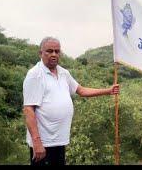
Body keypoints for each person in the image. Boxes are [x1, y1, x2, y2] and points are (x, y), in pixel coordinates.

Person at [23, 37, 120, 165]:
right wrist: (37, 142)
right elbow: (28, 109)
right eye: (49, 51)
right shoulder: (35, 75)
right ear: (40, 53)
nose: (54, 54)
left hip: (59, 140)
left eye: (57, 51)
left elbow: (81, 90)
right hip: (43, 142)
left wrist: (108, 91)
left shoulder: (64, 73)